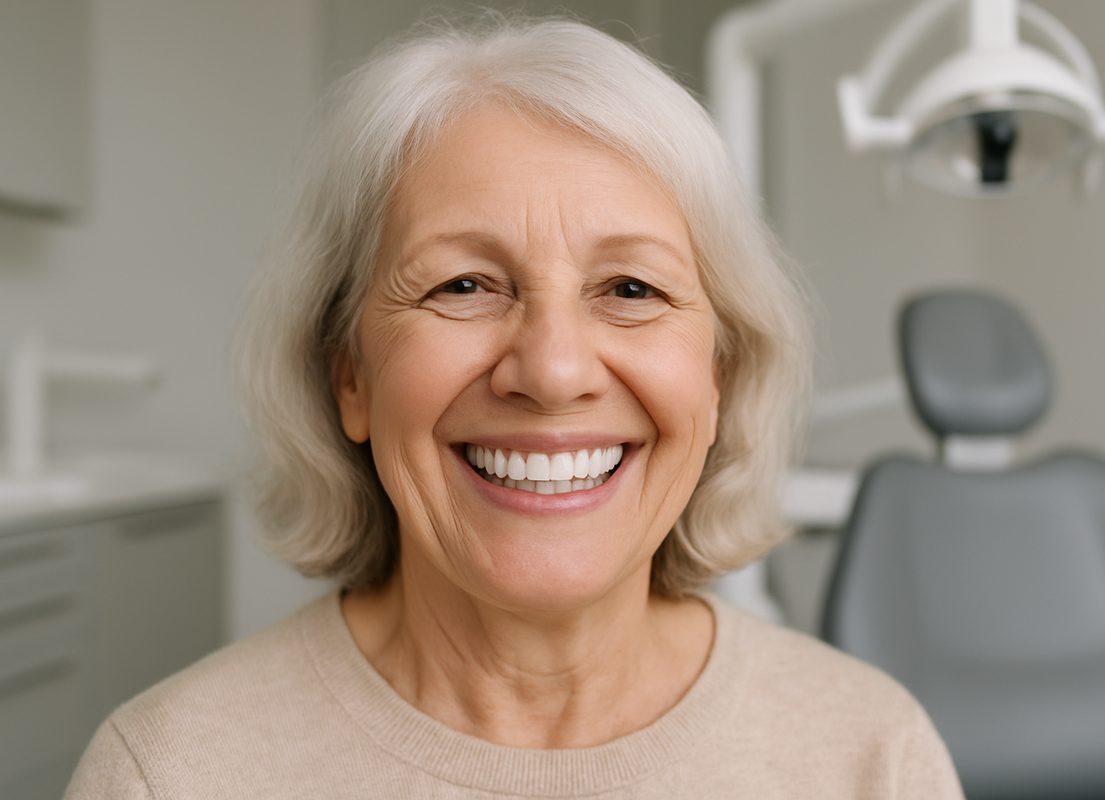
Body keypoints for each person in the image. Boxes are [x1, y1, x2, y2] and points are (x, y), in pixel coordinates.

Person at [67, 15, 963, 799]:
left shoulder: (869, 756)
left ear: (718, 373)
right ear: (350, 376)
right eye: (462, 284)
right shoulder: (168, 775)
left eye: (631, 287)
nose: (554, 369)